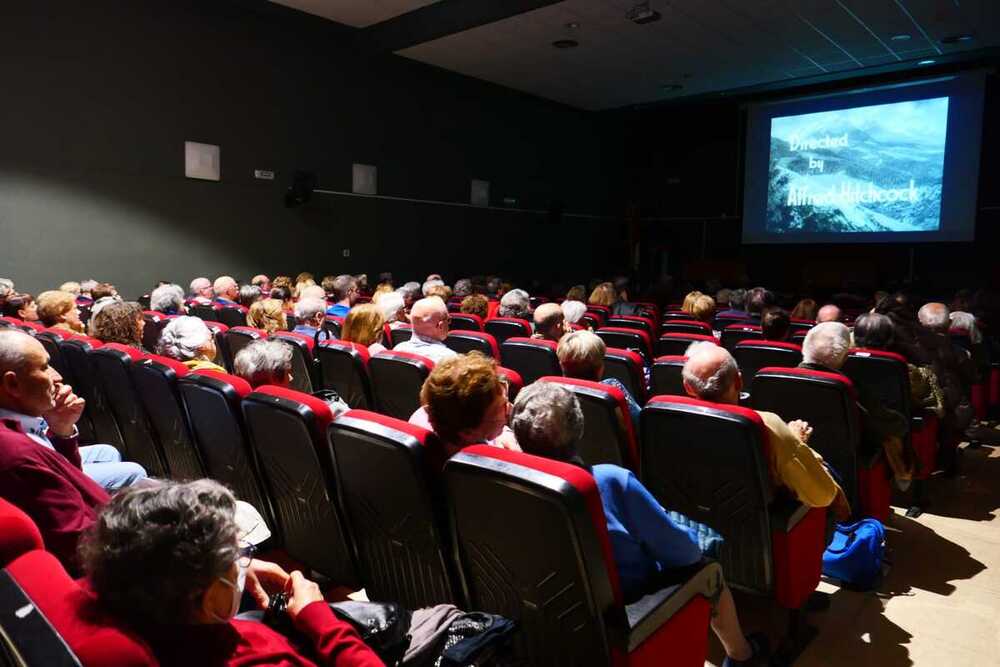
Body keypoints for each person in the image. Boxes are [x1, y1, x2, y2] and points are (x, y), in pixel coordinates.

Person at [510, 383, 766, 667]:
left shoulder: (511, 486)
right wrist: (692, 537)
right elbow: (685, 554)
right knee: (709, 570)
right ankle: (742, 655)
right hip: (630, 614)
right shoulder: (611, 481)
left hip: (556, 619)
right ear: (580, 427)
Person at [80, 479, 382, 666]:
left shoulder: (116, 608)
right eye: (237, 556)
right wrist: (320, 618)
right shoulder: (260, 659)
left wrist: (234, 567)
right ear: (211, 598)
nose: (242, 563)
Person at [0, 330, 147, 569]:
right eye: (45, 367)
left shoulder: (19, 430)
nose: (56, 376)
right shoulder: (17, 454)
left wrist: (62, 429)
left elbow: (71, 481)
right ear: (12, 383)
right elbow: (79, 543)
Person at [682, 341, 849, 519]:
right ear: (739, 381)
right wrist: (795, 441)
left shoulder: (670, 417)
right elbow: (823, 495)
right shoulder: (767, 425)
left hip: (694, 518)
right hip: (759, 528)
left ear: (688, 387)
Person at [799, 322, 911, 486]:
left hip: (800, 457)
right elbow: (891, 425)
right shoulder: (849, 388)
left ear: (804, 348)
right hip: (845, 463)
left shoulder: (774, 379)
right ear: (844, 358)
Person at [409, 352, 518, 456]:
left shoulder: (422, 415)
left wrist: (501, 433)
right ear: (468, 433)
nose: (510, 408)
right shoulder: (489, 464)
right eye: (502, 406)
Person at [853, 313, 944, 418]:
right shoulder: (906, 370)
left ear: (855, 337)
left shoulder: (842, 361)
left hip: (856, 423)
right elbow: (925, 401)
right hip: (894, 425)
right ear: (890, 340)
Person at [556, 330, 640, 430]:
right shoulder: (612, 389)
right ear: (600, 368)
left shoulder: (551, 392)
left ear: (561, 365)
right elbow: (640, 423)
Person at [393, 297, 457, 363]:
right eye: (448, 320)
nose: (449, 323)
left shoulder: (397, 349)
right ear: (440, 325)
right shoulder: (450, 359)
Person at [158, 316, 226, 372]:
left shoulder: (161, 368)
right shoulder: (214, 373)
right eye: (211, 338)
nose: (213, 341)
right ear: (202, 347)